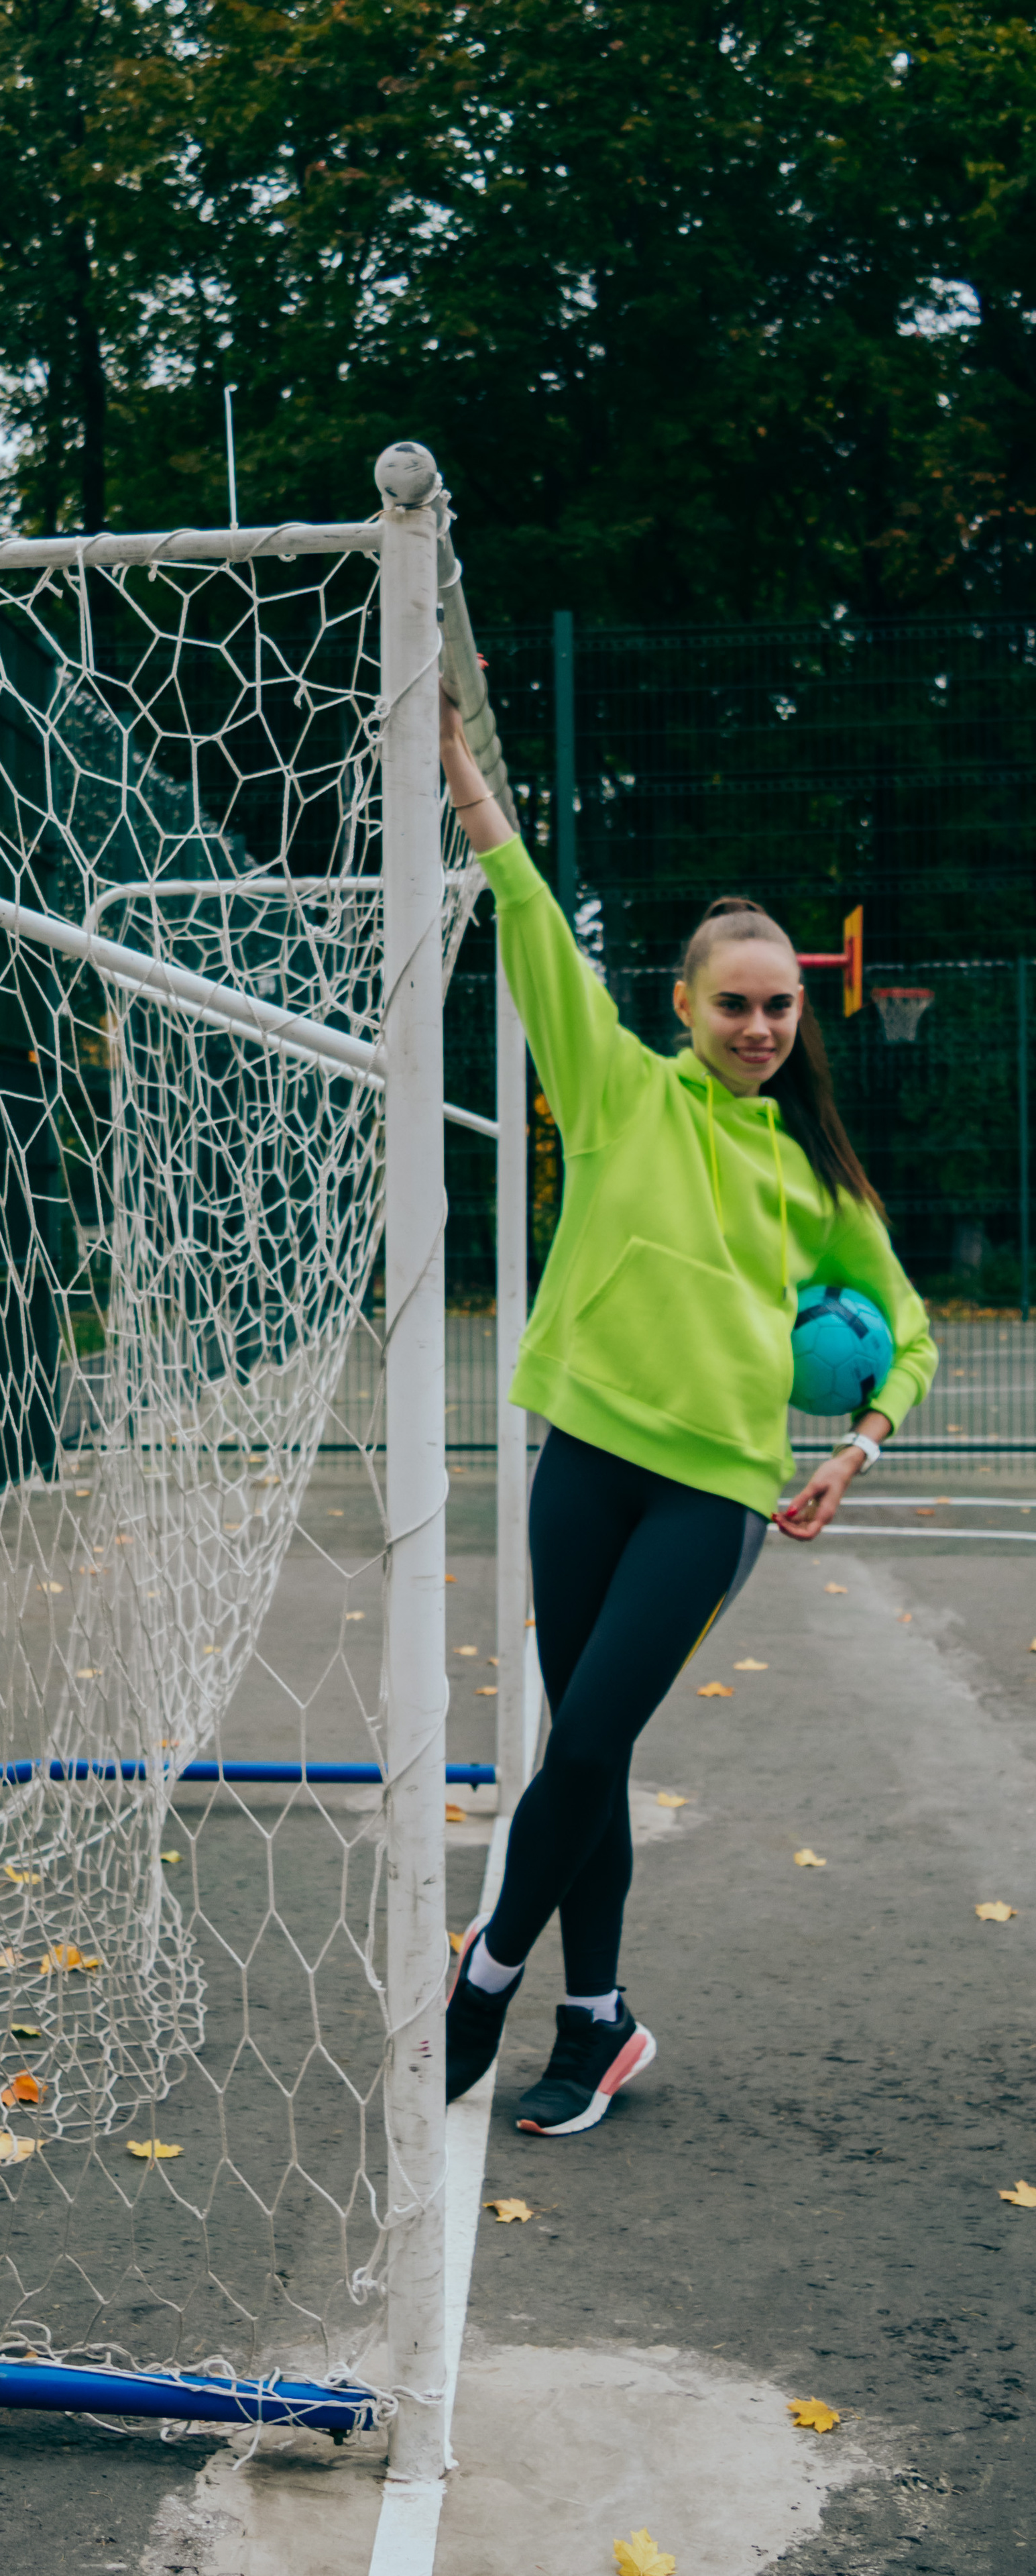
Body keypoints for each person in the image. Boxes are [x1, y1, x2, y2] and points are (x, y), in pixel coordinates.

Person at [437, 686, 937, 2138]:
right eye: (733, 1002)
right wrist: (465, 783)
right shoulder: (615, 1096)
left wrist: (852, 1448)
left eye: (779, 1004)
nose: (759, 1025)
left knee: (586, 1742)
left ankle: (489, 1972)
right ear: (681, 1005)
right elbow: (531, 921)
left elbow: (904, 1335)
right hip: (582, 1457)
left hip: (711, 1491)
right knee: (584, 1748)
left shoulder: (812, 1179)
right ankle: (595, 2023)